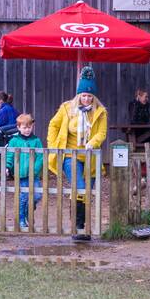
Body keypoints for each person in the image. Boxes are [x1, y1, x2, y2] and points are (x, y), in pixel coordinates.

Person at [47, 67, 107, 239]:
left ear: (93, 97)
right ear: (78, 95)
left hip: (90, 156)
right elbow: (53, 125)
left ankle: (82, 227)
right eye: (83, 95)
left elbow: (101, 133)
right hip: (70, 155)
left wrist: (92, 143)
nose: (86, 99)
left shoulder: (100, 112)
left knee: (86, 192)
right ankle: (77, 227)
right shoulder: (67, 108)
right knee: (79, 187)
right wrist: (53, 146)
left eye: (89, 96)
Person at [5, 113, 45, 232]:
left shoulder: (36, 141)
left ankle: (28, 211)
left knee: (37, 195)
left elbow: (40, 156)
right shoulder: (14, 141)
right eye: (24, 127)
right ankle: (22, 219)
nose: (27, 130)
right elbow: (10, 155)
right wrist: (8, 166)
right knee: (23, 197)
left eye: (29, 127)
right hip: (21, 174)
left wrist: (35, 170)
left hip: (34, 175)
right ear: (18, 128)